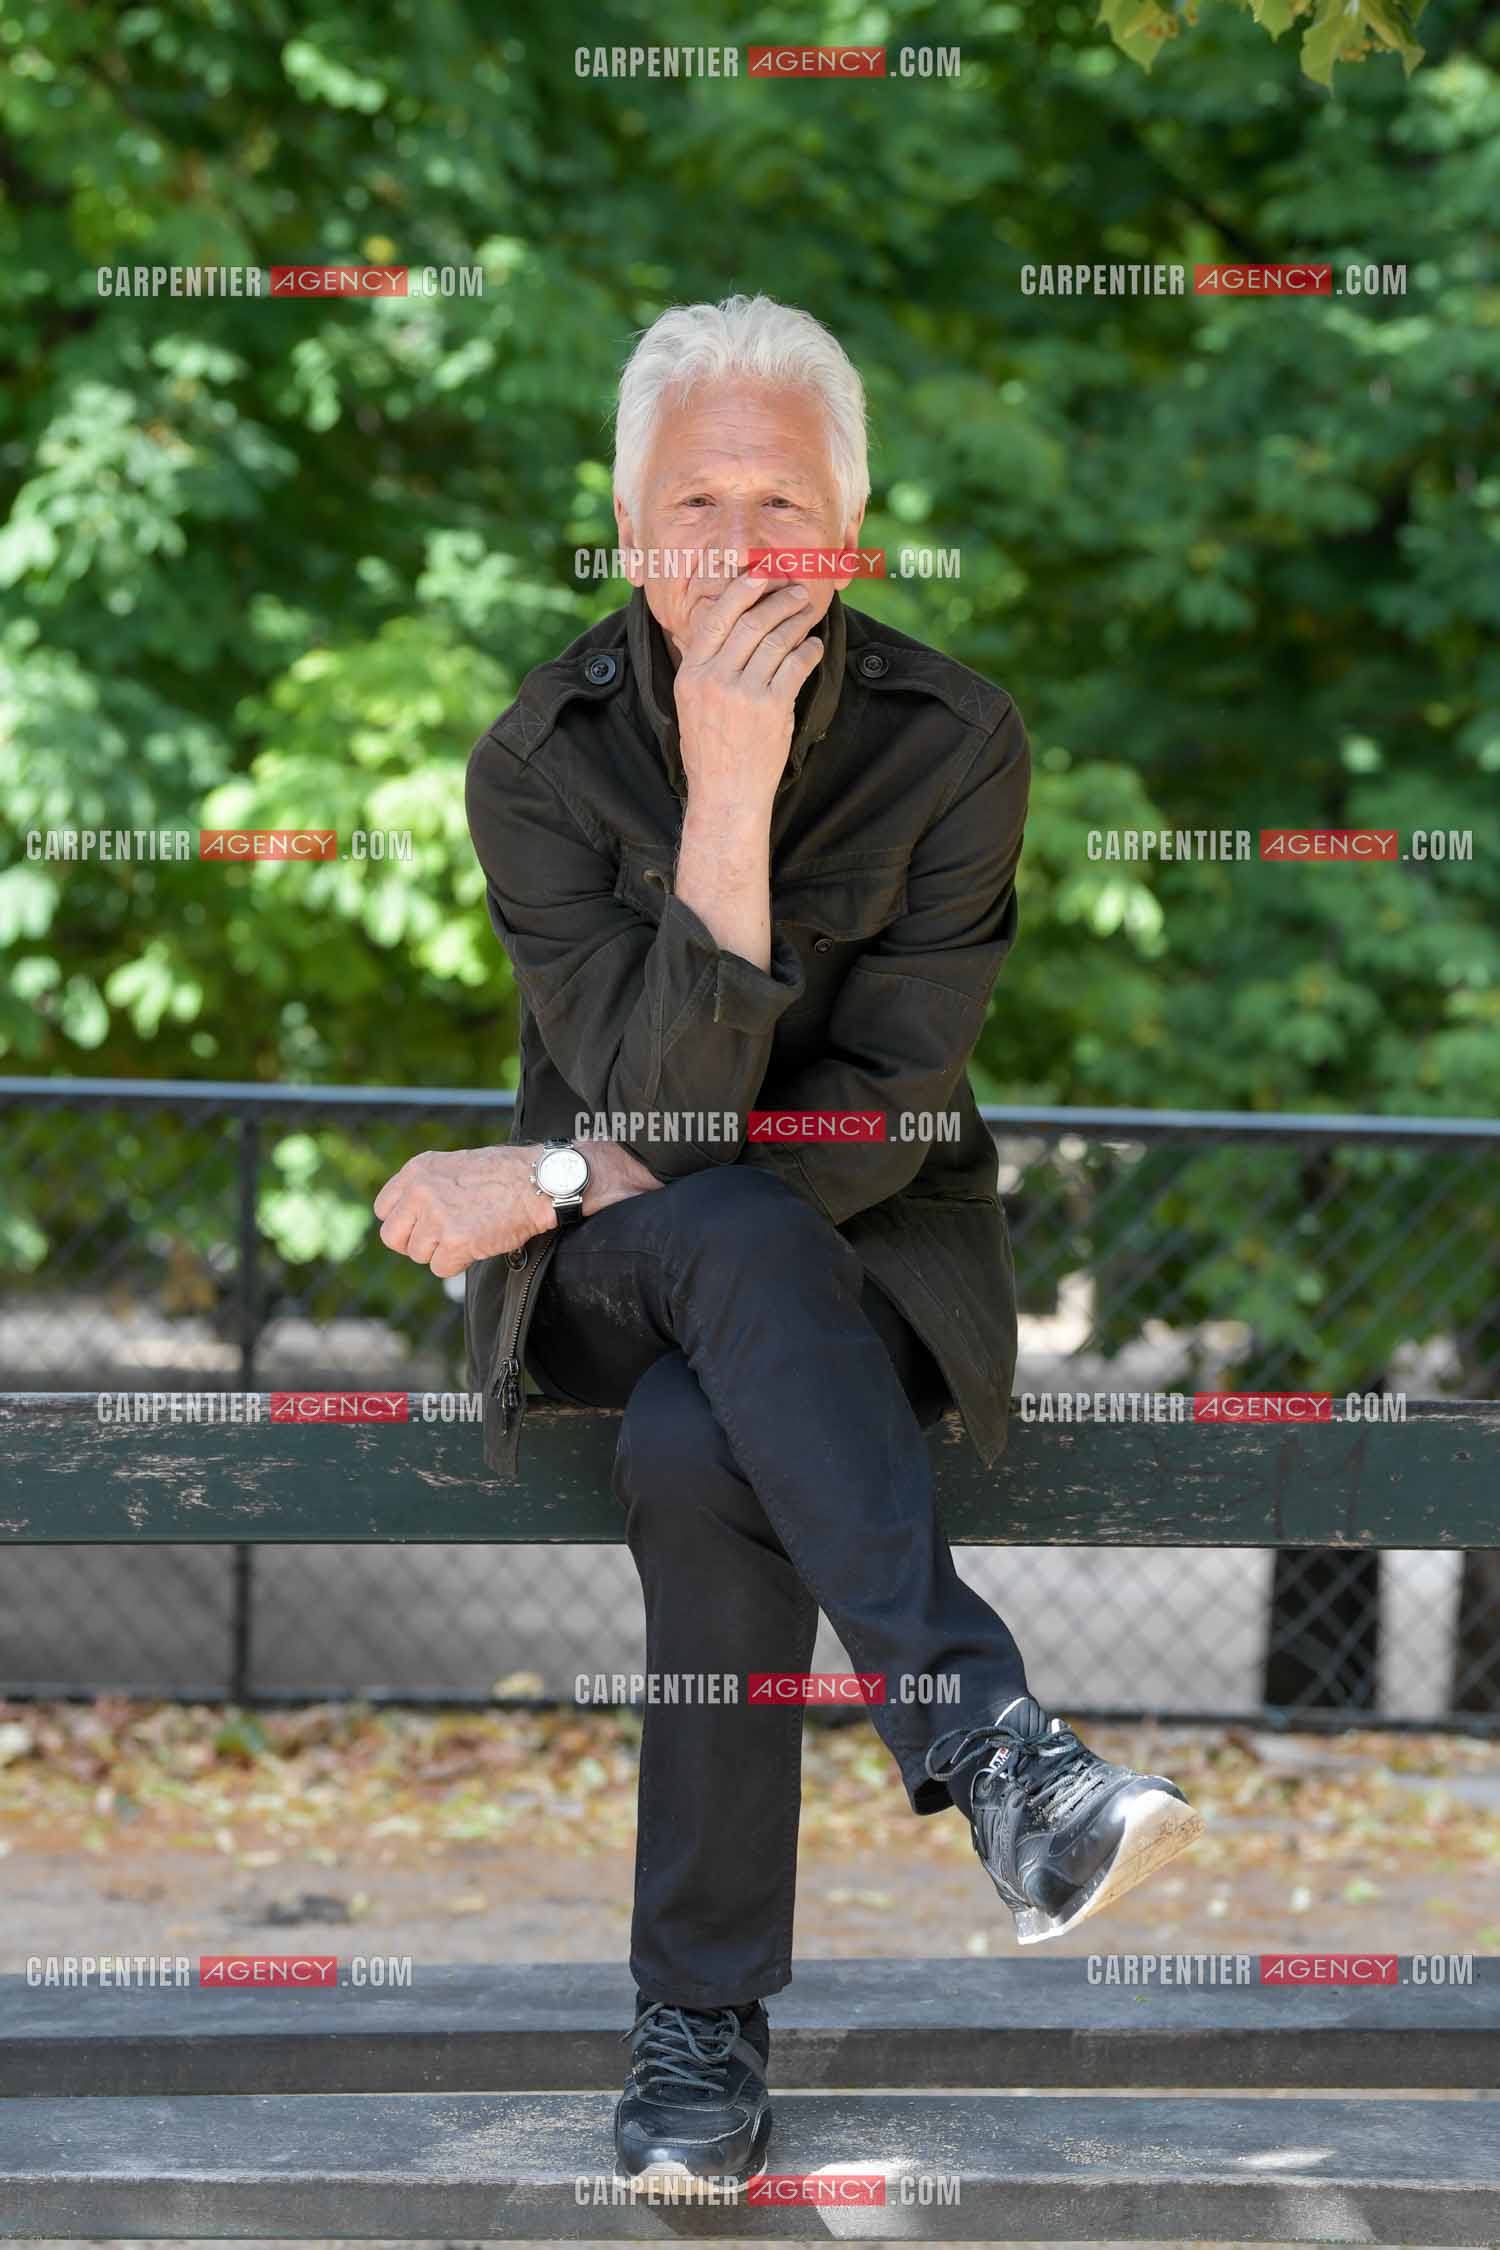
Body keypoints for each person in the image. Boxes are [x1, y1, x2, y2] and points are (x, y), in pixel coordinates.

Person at [374, 292, 1204, 2192]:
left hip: (860, 1264)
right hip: (610, 1286)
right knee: (712, 1243)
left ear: (853, 524)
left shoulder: (957, 739)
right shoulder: (541, 762)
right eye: (696, 502)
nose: (740, 547)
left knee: (700, 1432)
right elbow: (670, 1116)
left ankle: (698, 2037)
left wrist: (554, 1170)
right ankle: (998, 1743)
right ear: (630, 527)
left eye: (783, 501)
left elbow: (882, 1111)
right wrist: (726, 791)